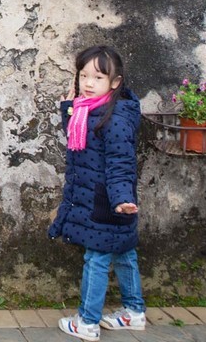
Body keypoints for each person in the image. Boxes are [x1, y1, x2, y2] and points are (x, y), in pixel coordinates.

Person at [48, 45, 146, 341]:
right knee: (124, 254)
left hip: (109, 201)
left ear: (115, 83)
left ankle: (87, 322)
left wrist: (121, 200)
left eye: (98, 77)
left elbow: (121, 164)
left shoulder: (114, 119)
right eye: (83, 75)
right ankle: (134, 312)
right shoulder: (86, 112)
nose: (88, 83)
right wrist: (68, 110)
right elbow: (81, 138)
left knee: (97, 258)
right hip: (107, 199)